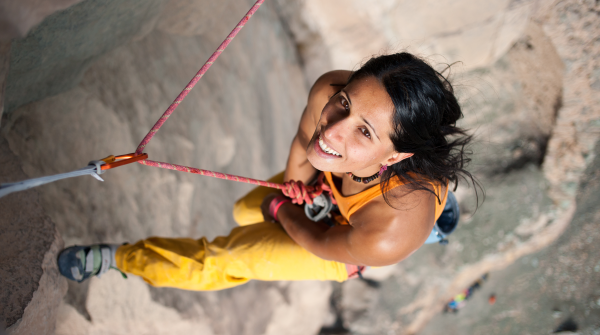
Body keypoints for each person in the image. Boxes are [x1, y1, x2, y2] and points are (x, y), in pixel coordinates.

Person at [58, 52, 478, 290]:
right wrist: (297, 187)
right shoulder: (329, 90)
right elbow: (305, 145)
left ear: (392, 157)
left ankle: (117, 259)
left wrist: (282, 208)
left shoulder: (392, 231)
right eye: (345, 104)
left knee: (227, 255)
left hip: (340, 239)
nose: (332, 129)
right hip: (322, 190)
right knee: (245, 212)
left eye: (364, 132)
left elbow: (319, 241)